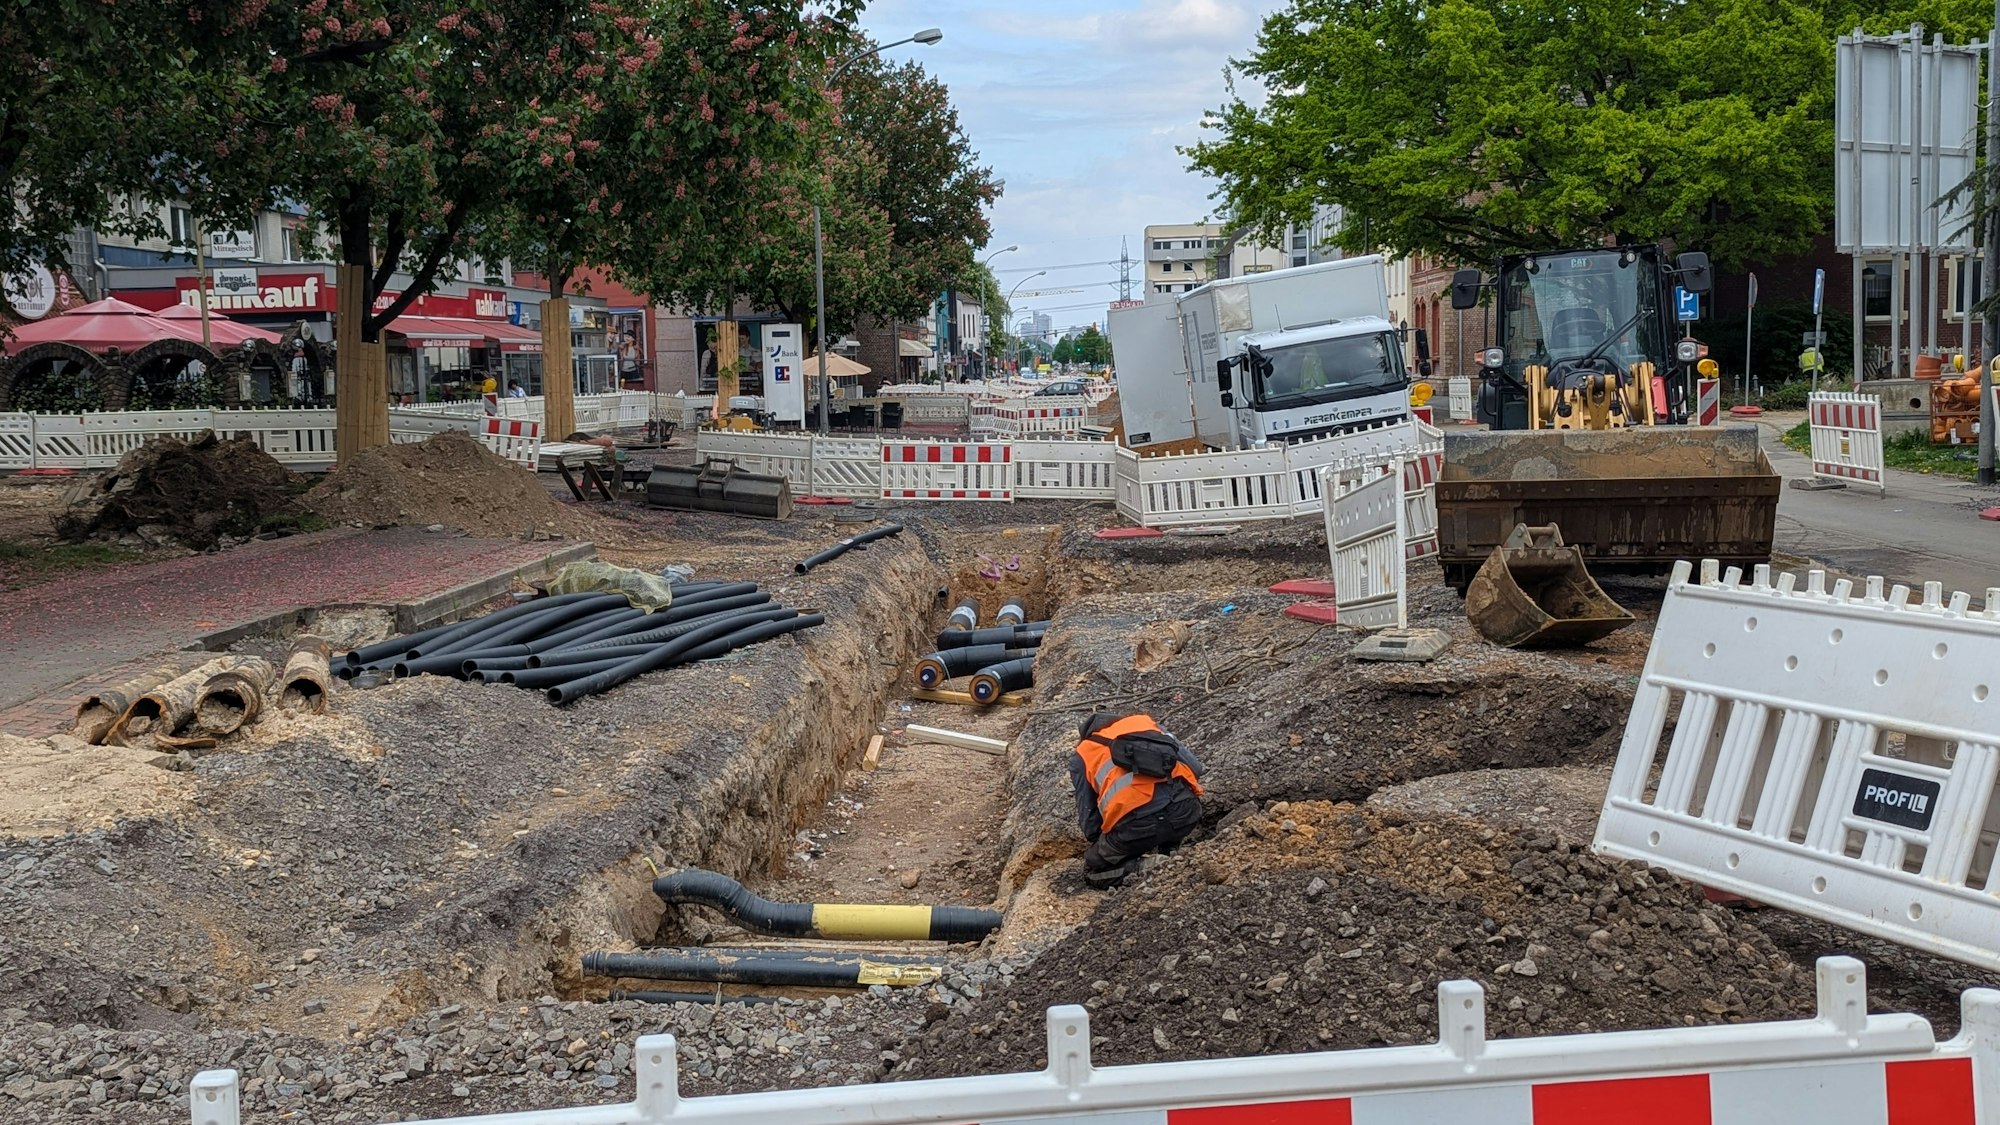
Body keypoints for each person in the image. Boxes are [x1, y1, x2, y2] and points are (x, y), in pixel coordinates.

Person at [1069, 712, 1205, 887]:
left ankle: (1145, 867)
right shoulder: (1146, 723)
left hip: (1137, 827)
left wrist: (1106, 843)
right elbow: (1196, 768)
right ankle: (1171, 850)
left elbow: (1090, 823)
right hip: (1186, 812)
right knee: (1166, 817)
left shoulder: (1083, 753)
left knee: (1094, 869)